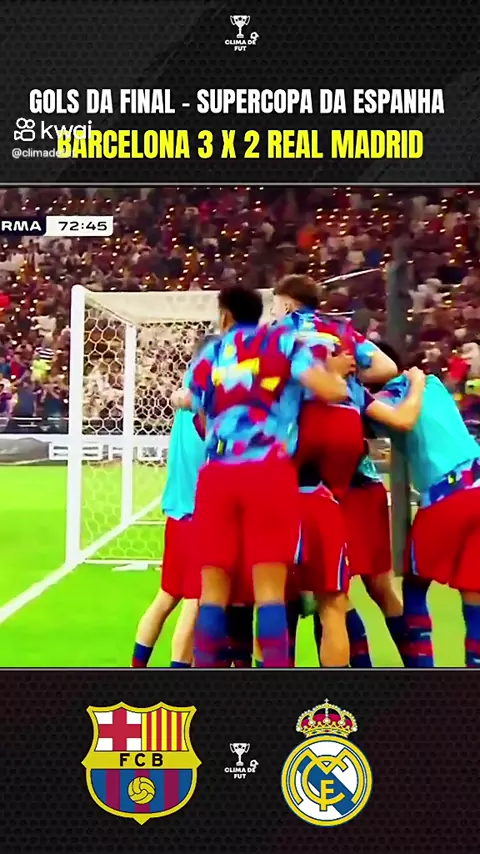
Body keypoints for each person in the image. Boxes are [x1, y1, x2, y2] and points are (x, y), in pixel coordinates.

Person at [178, 284, 349, 668]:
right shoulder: (284, 342)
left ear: (225, 315)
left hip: (218, 476)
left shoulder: (209, 354)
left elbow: (195, 406)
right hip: (268, 472)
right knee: (270, 591)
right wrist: (335, 376)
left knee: (212, 593)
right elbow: (330, 391)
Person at [366, 354, 480, 668]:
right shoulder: (432, 383)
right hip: (477, 482)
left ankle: (422, 671)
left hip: (447, 496)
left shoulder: (381, 400)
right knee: (474, 591)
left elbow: (397, 424)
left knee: (415, 586)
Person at [272, 274, 398, 500]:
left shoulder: (280, 330)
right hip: (348, 425)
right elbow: (388, 367)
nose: (274, 313)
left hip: (306, 422)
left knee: (291, 500)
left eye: (275, 306)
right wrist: (350, 374)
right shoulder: (340, 328)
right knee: (332, 501)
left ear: (287, 305)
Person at [131, 337, 215, 669]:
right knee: (194, 602)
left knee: (166, 597)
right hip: (200, 517)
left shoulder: (187, 399)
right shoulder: (206, 405)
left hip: (177, 516)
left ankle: (136, 668)